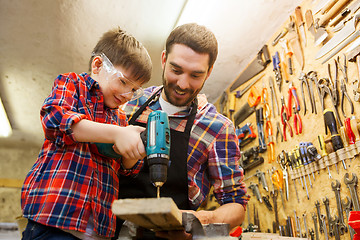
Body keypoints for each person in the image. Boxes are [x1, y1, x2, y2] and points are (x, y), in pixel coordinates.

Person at [117, 23, 249, 239]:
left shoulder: (218, 128)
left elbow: (236, 204)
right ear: (163, 60)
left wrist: (202, 221)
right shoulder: (128, 102)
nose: (183, 84)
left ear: (209, 71)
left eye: (196, 75)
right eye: (176, 70)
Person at [21, 27, 152, 240]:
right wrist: (116, 134)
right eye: (123, 82)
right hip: (54, 221)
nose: (128, 94)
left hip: (98, 231)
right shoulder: (73, 84)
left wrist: (132, 150)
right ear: (98, 65)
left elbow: (128, 169)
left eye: (135, 89)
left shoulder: (120, 119)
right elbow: (55, 119)